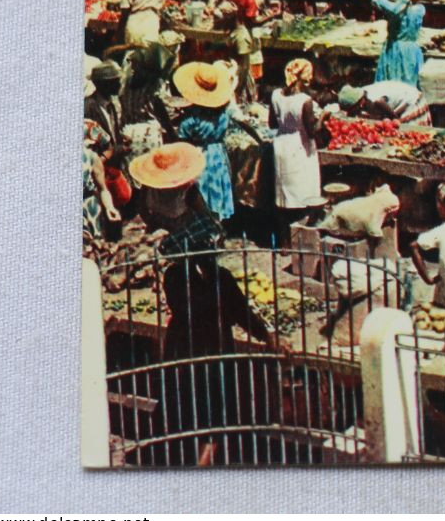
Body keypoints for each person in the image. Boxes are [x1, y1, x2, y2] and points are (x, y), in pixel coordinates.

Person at [129, 141, 280, 466]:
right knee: (211, 403)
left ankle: (191, 455)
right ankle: (202, 457)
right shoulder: (210, 258)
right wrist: (264, 333)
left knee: (187, 400)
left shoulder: (172, 262)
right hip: (211, 340)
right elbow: (233, 300)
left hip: (186, 340)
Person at [172, 62, 240, 221]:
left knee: (201, 192)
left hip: (199, 155)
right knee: (217, 188)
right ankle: (218, 224)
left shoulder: (191, 119)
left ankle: (203, 225)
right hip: (217, 154)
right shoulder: (223, 113)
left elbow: (182, 140)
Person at [271, 59, 322, 216]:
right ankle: (301, 225)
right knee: (303, 190)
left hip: (281, 145)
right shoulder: (305, 101)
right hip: (300, 147)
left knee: (284, 192)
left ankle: (285, 234)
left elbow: (272, 124)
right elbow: (312, 131)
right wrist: (324, 116)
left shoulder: (276, 95)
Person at [362, 0, 426, 87]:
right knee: (411, 81)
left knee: (395, 81)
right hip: (412, 49)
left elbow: (376, 0)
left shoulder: (394, 10)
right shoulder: (420, 8)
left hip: (397, 50)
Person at [335, 80, 431, 125]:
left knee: (408, 130)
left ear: (360, 103)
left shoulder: (375, 100)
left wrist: (396, 121)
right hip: (398, 104)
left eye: (351, 109)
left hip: (413, 100)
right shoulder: (361, 95)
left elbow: (392, 116)